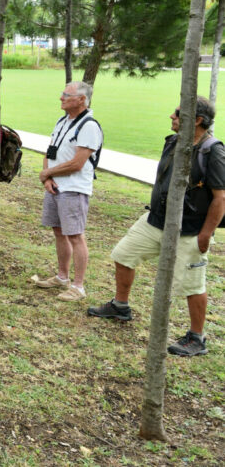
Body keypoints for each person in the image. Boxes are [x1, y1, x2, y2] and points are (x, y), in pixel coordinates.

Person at [89, 97, 225, 357]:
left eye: (177, 113)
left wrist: (206, 234)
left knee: (192, 284)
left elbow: (220, 198)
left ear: (197, 120)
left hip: (190, 230)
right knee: (123, 255)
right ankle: (120, 306)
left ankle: (197, 338)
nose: (171, 117)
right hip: (156, 220)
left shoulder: (213, 151)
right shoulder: (173, 142)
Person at [31, 81, 102, 303]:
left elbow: (77, 163)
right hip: (56, 185)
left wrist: (47, 173)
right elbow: (50, 150)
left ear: (81, 100)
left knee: (75, 235)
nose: (61, 98)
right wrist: (48, 177)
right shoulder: (64, 121)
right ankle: (62, 277)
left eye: (66, 95)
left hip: (73, 188)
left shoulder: (89, 126)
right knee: (59, 231)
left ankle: (78, 286)